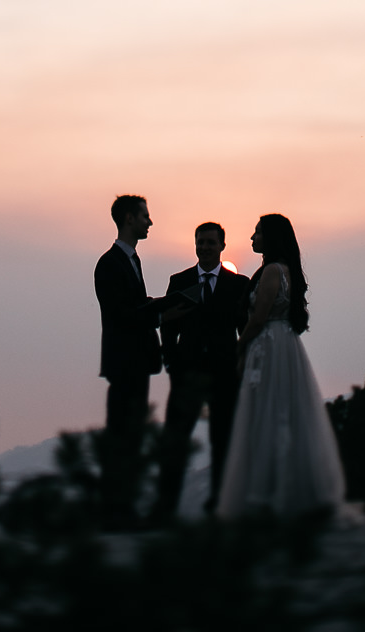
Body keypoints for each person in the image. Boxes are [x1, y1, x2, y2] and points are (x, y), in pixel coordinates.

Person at [215, 213, 348, 518]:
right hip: (283, 343)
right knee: (281, 413)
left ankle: (270, 493)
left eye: (257, 233)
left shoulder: (273, 271)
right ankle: (282, 488)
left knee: (268, 413)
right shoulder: (284, 270)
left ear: (271, 238)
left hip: (269, 344)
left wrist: (239, 347)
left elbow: (259, 317)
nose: (252, 238)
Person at [153, 221, 253, 520]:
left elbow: (244, 328)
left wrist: (242, 365)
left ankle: (220, 506)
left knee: (224, 440)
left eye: (211, 242)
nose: (205, 247)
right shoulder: (179, 281)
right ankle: (165, 507)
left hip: (225, 374)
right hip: (187, 373)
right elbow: (169, 328)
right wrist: (170, 362)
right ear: (195, 244)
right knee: (175, 440)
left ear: (223, 246)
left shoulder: (238, 284)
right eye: (201, 242)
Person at [94, 193, 163, 528]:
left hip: (137, 362)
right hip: (125, 364)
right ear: (129, 218)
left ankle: (125, 509)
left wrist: (159, 309)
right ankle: (114, 511)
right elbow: (119, 314)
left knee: (132, 437)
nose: (150, 221)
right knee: (121, 436)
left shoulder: (132, 261)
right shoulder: (110, 263)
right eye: (145, 216)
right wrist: (156, 312)